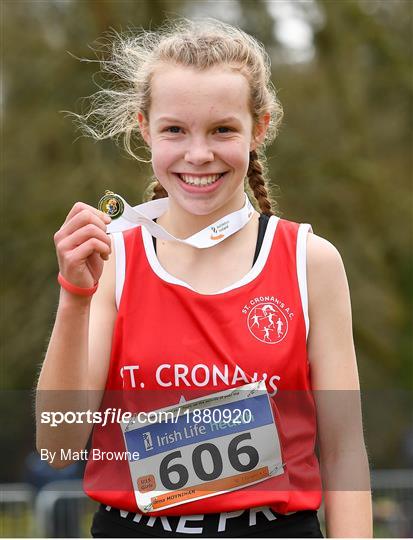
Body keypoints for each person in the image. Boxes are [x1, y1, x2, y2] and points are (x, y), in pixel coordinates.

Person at [36, 18, 373, 538]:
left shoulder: (311, 262)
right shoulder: (113, 260)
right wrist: (75, 298)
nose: (198, 154)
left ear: (258, 129)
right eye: (175, 129)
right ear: (144, 127)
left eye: (222, 129)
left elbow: (345, 450)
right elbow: (58, 448)